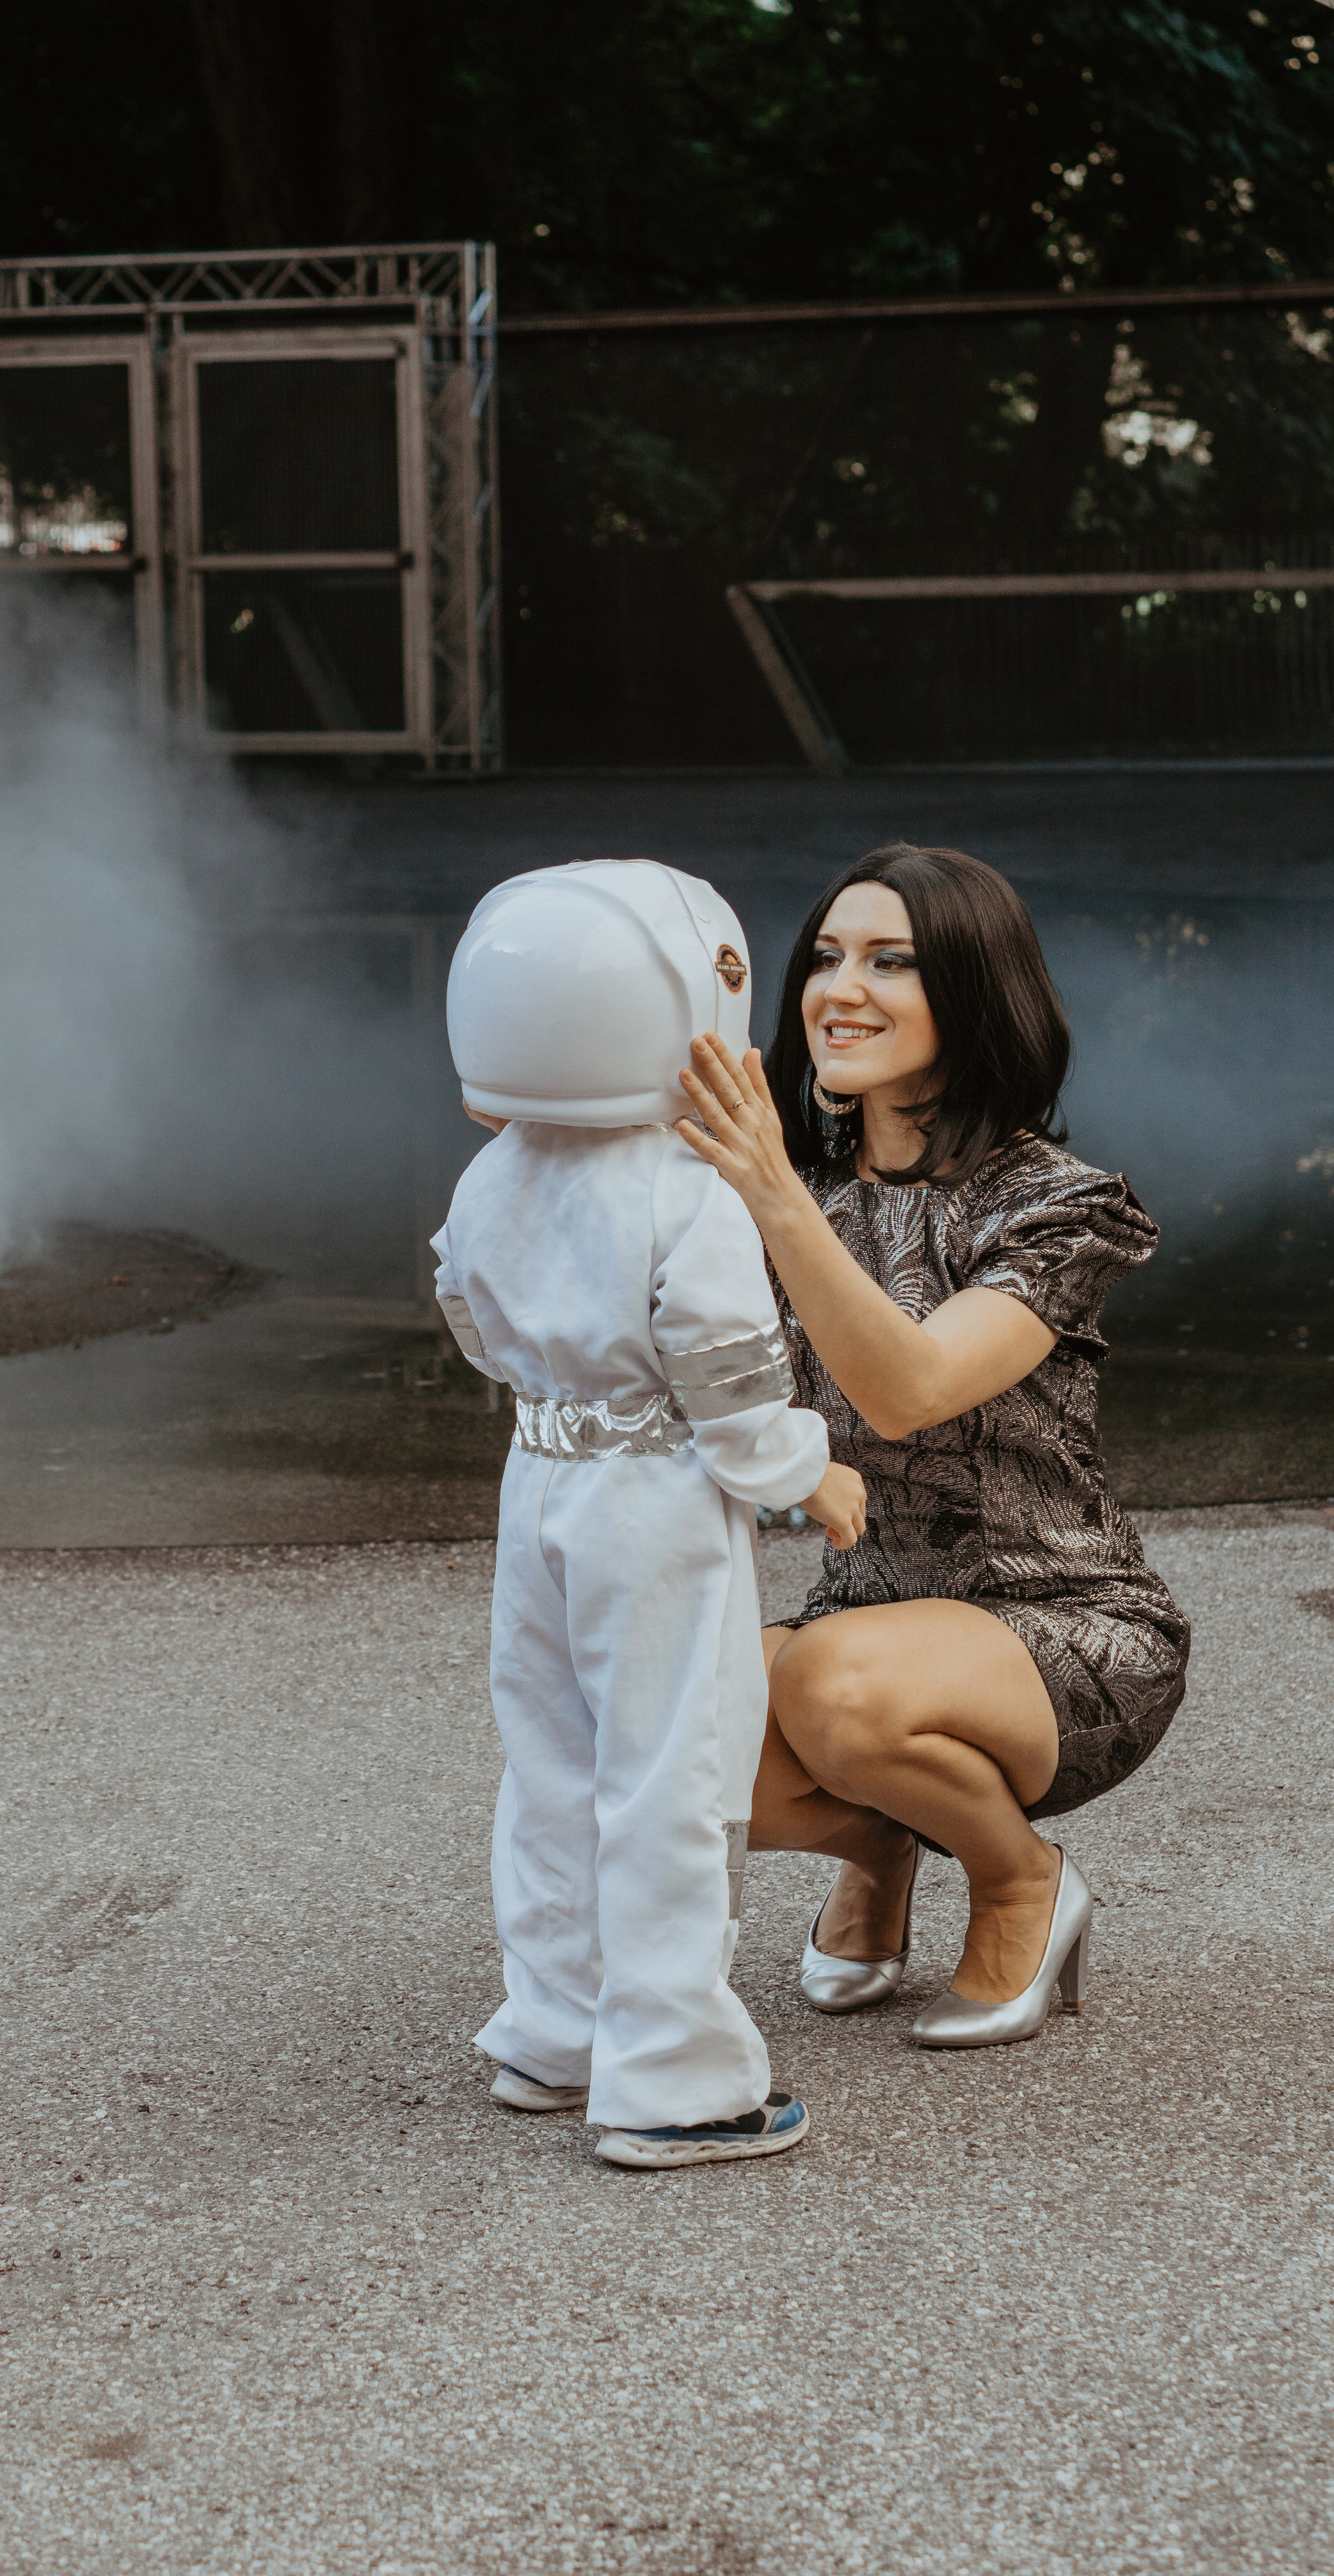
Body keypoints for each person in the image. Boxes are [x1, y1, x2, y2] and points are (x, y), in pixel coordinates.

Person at [675, 841, 1188, 2049]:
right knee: (671, 1710)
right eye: (828, 957)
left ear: (973, 994)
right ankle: (885, 1842)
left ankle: (1021, 1881)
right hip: (868, 1620)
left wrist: (775, 1203)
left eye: (892, 961)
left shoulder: (1061, 1208)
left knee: (825, 1682)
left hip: (1065, 1631)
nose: (840, 988)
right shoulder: (789, 1191)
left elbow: (908, 1390)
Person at [433, 858, 867, 2167]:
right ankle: (674, 2079)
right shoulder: (687, 1193)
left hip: (540, 1480)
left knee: (553, 1764)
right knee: (672, 1773)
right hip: (655, 1499)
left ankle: (553, 2032)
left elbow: (468, 1313)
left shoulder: (495, 1177)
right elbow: (733, 1387)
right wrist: (806, 1469)